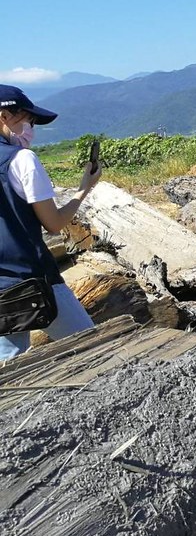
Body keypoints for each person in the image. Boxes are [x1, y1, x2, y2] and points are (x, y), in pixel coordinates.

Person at [0, 85, 102, 361]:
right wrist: (84, 188)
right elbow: (54, 224)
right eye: (29, 120)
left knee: (9, 369)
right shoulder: (22, 160)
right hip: (33, 280)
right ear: (4, 116)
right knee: (94, 351)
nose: (31, 128)